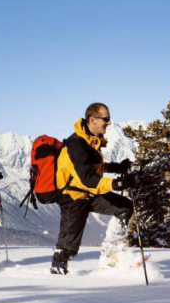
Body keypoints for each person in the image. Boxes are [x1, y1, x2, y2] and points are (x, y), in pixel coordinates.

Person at [51, 102, 135, 274]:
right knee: (67, 246)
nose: (109, 123)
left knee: (124, 207)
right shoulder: (76, 144)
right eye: (106, 118)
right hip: (73, 197)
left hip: (89, 193)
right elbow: (87, 178)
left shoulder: (90, 141)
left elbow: (92, 166)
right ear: (93, 120)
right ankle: (57, 272)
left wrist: (116, 168)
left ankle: (111, 254)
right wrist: (115, 183)